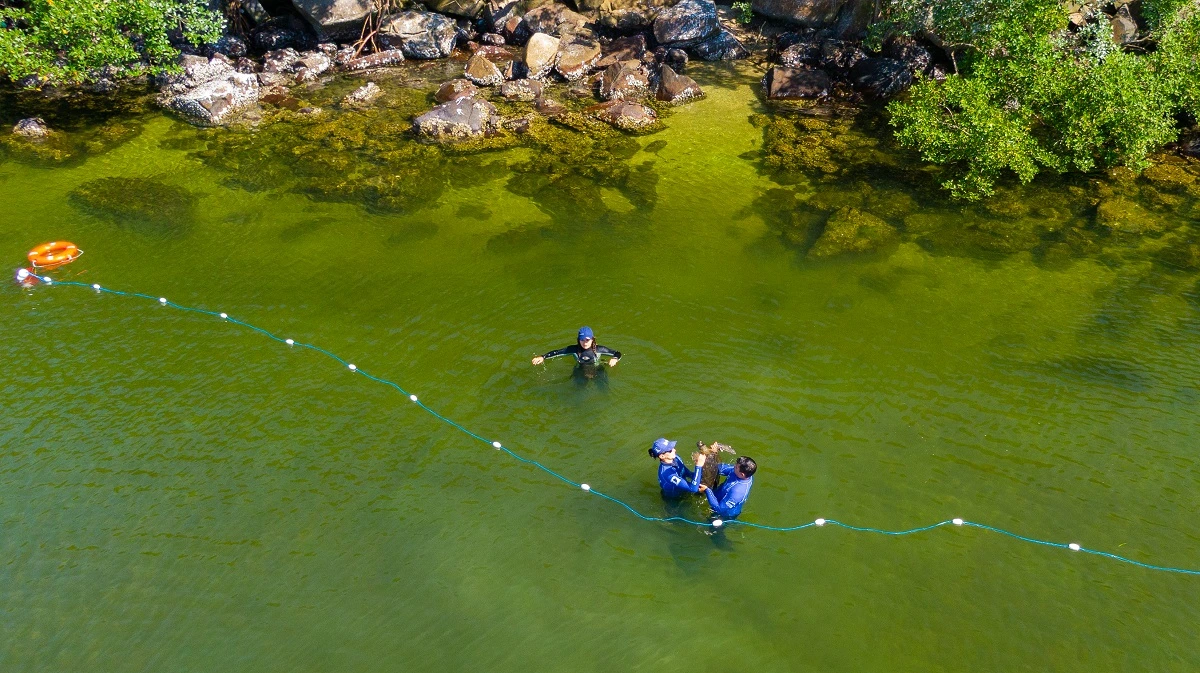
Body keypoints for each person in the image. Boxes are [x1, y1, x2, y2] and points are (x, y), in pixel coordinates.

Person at [531, 326, 621, 368]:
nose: (585, 343)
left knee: (603, 389)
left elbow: (617, 353)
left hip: (597, 368)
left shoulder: (599, 349)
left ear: (592, 339)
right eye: (582, 340)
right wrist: (543, 357)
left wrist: (615, 359)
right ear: (578, 340)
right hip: (580, 369)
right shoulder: (573, 349)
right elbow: (557, 352)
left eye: (587, 340)